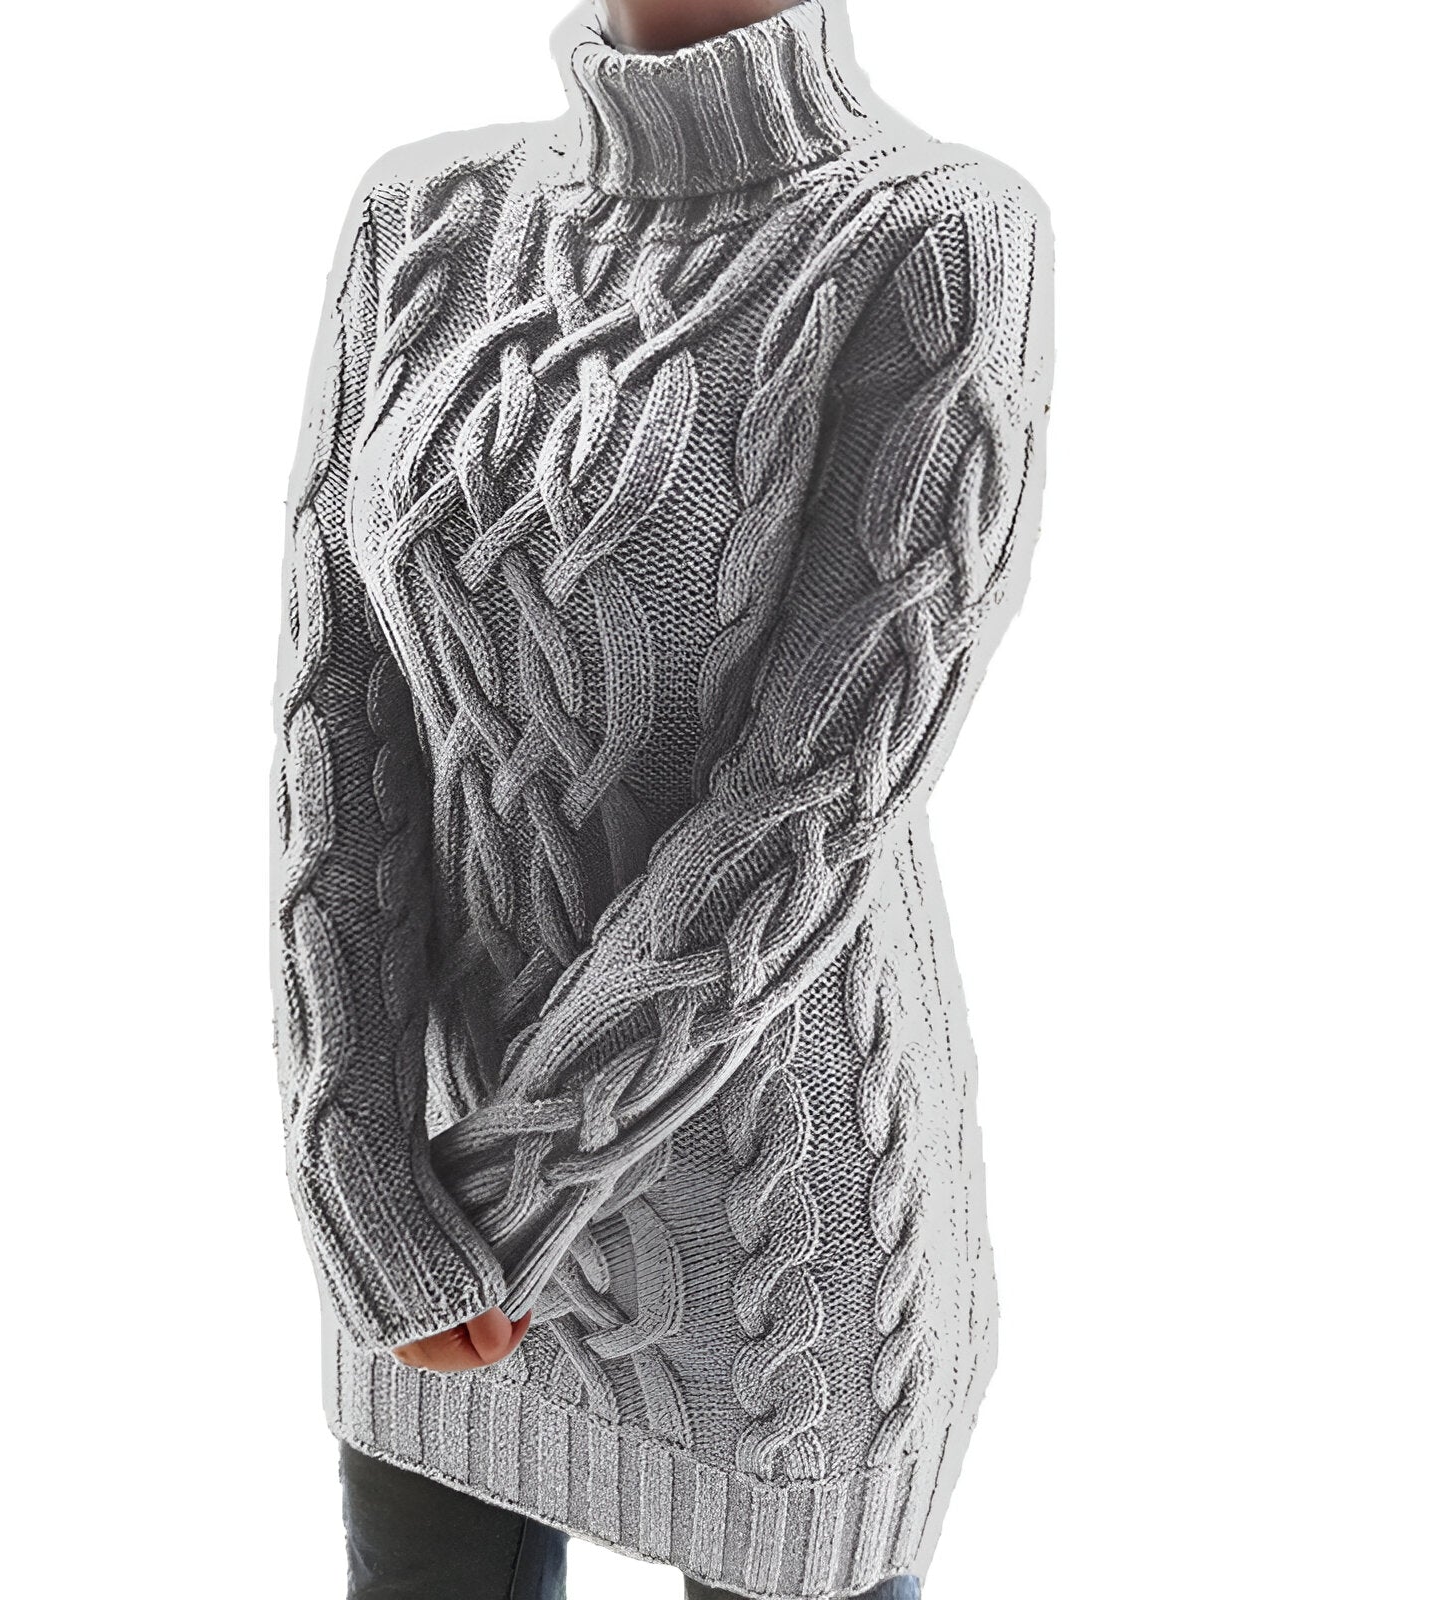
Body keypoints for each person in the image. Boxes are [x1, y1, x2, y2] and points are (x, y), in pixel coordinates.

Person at [270, 0, 1054, 1594]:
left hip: (779, 1243)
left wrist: (510, 1188)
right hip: (431, 1232)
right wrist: (362, 1179)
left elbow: (816, 799)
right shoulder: (421, 217)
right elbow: (333, 727)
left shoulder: (938, 237)